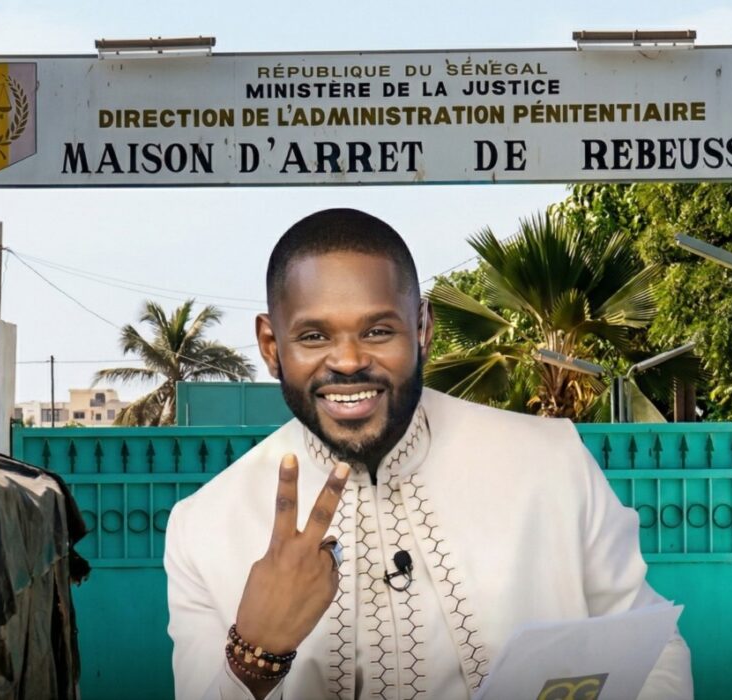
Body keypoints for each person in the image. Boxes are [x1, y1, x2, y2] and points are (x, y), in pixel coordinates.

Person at [165, 208, 692, 699]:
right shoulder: (205, 527)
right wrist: (255, 653)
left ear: (422, 328)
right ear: (270, 345)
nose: (348, 361)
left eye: (377, 330)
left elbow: (652, 654)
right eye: (313, 335)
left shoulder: (550, 464)